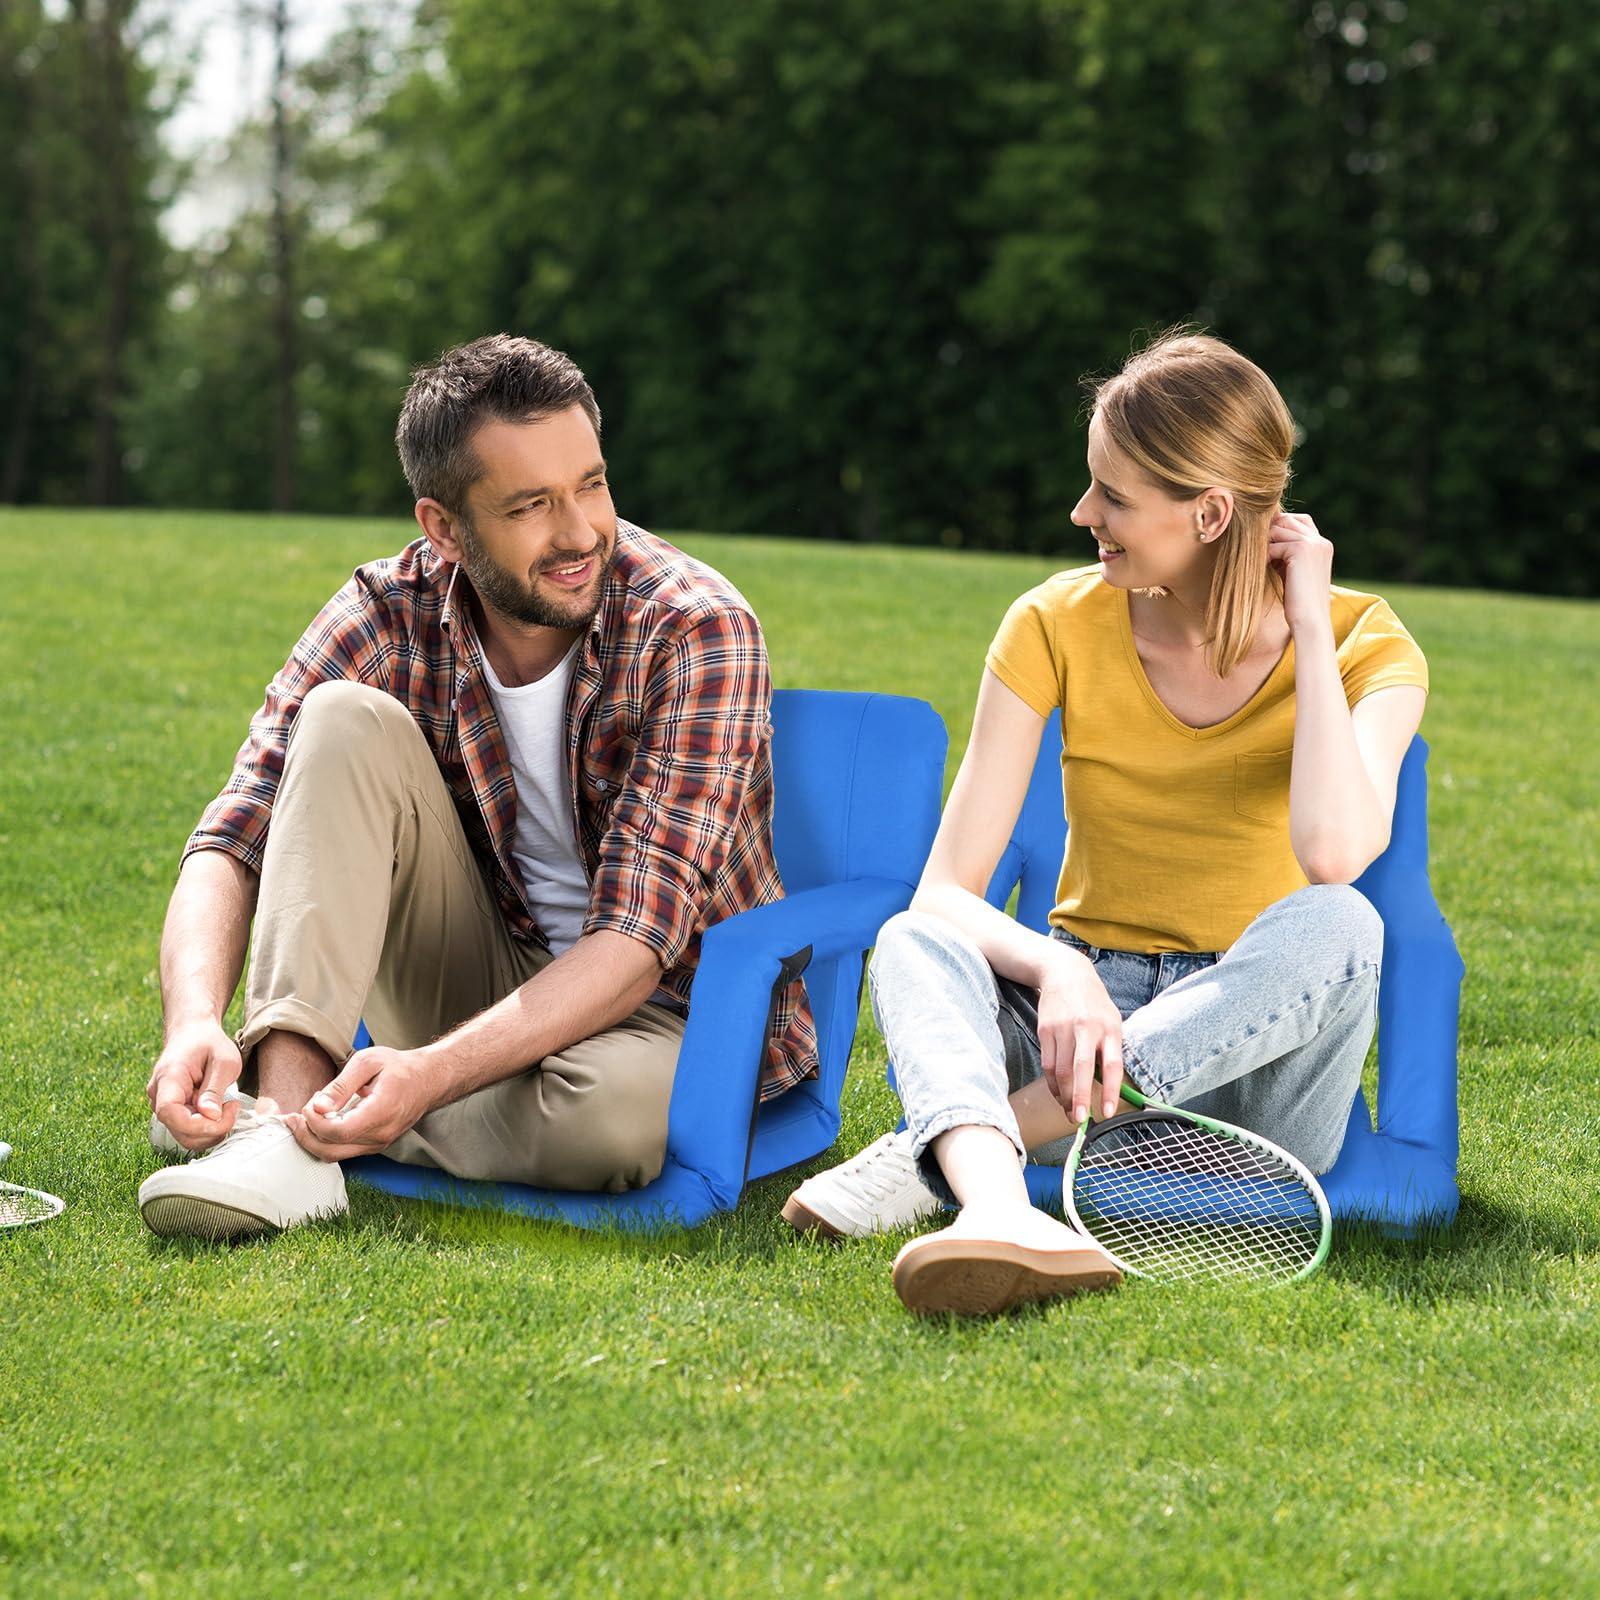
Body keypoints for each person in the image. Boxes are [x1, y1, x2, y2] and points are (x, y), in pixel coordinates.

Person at [783, 329, 1428, 1316]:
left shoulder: (1361, 641)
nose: (1083, 513)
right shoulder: (1052, 621)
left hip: (1252, 1075)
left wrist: (1304, 627)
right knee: (915, 940)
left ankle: (962, 1149)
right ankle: (997, 1208)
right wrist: (1060, 968)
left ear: (1210, 512)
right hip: (1077, 1017)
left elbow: (1333, 852)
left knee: (1342, 922)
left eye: (1114, 497)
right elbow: (944, 890)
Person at [139, 333, 815, 1240]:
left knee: (607, 1125)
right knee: (338, 718)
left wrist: (424, 1074)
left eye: (592, 484)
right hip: (477, 972)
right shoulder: (387, 609)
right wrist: (192, 1024)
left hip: (662, 1010)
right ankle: (279, 1135)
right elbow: (235, 833)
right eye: (532, 505)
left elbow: (633, 944)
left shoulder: (696, 629)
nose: (580, 533)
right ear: (445, 527)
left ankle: (294, 1120)